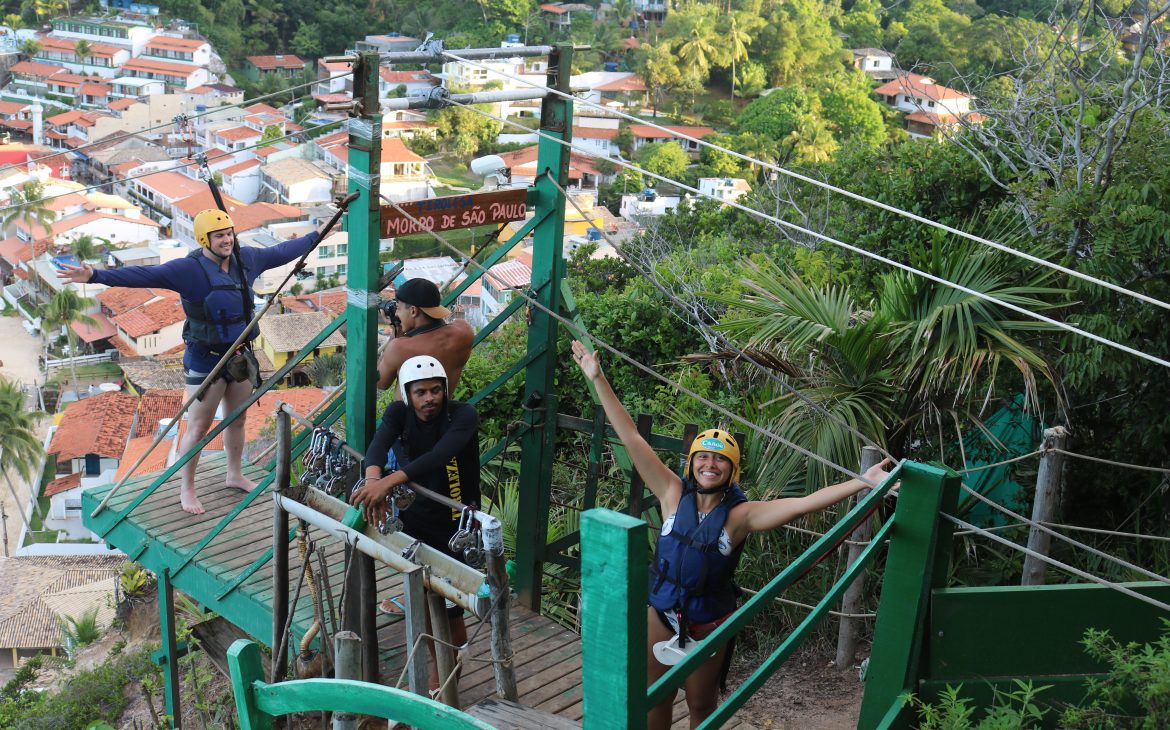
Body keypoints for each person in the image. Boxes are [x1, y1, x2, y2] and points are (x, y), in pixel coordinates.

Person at [570, 340, 893, 729]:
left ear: (732, 470)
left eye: (720, 459)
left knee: (702, 706)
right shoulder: (671, 492)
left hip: (708, 622)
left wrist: (863, 481)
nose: (710, 464)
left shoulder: (740, 516)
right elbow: (632, 439)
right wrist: (598, 378)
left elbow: (805, 502)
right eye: (703, 457)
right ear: (692, 464)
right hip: (661, 612)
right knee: (653, 700)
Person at [57, 209, 329, 515]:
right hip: (206, 359)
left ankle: (234, 473)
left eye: (229, 234)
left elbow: (281, 252)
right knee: (198, 427)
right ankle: (187, 488)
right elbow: (144, 276)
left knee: (237, 419)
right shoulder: (188, 271)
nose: (227, 240)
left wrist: (319, 233)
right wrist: (95, 275)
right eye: (219, 236)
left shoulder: (247, 260)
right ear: (204, 239)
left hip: (239, 356)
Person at [350, 355, 480, 694]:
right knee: (424, 592)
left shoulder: (462, 415)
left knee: (450, 603)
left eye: (436, 390)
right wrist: (373, 478)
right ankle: (442, 662)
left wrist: (387, 484)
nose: (429, 399)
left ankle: (449, 665)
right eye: (420, 392)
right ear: (408, 394)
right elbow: (379, 443)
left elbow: (440, 454)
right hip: (417, 517)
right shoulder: (398, 414)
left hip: (455, 522)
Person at [376, 277, 473, 395]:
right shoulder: (464, 332)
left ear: (413, 311)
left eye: (399, 308)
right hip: (443, 411)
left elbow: (380, 383)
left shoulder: (399, 347)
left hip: (409, 413)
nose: (396, 313)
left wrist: (394, 334)